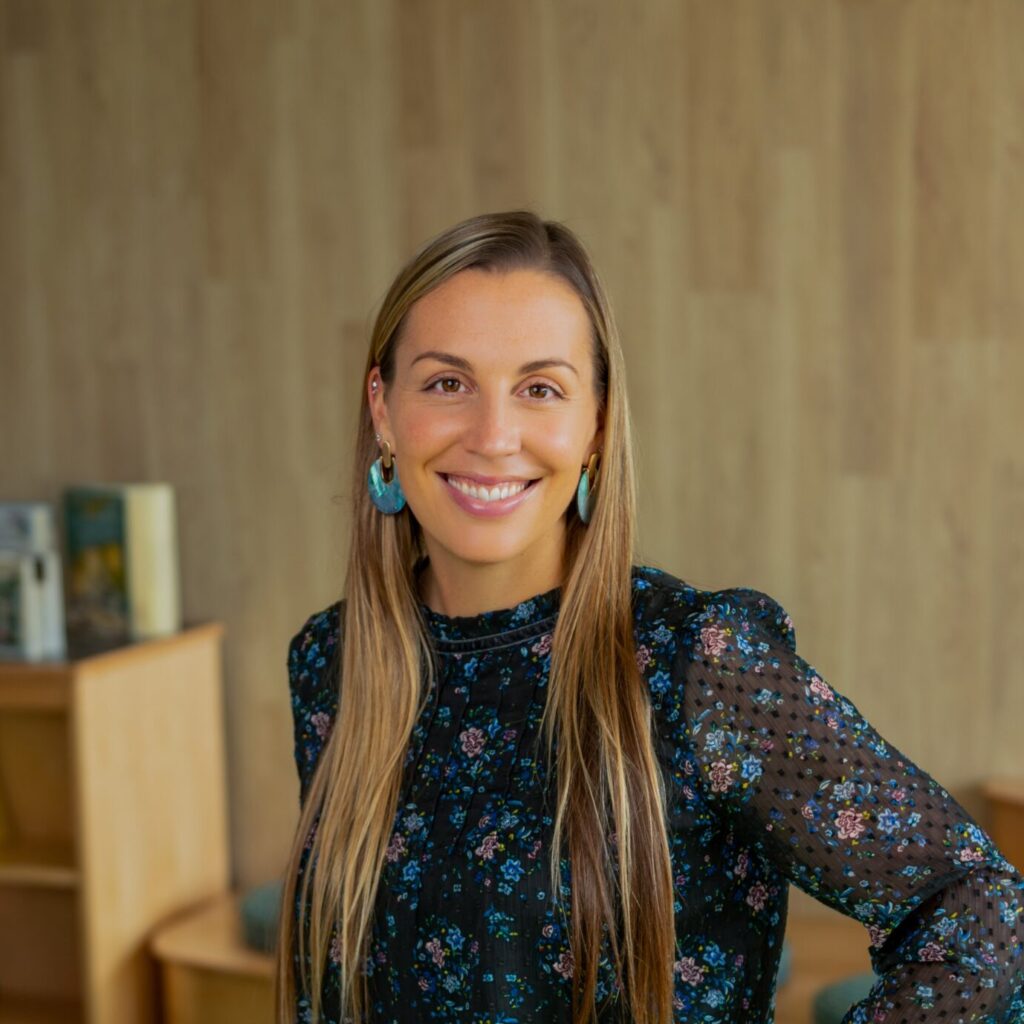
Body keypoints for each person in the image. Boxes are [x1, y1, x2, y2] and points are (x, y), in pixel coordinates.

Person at [275, 210, 1023, 1024]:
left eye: (539, 389)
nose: (493, 436)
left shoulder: (698, 662)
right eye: (447, 384)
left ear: (596, 424)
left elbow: (981, 912)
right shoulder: (331, 660)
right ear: (383, 408)